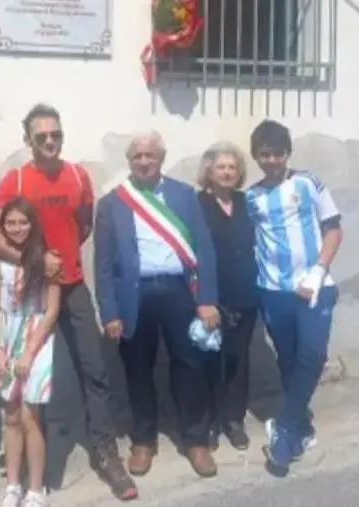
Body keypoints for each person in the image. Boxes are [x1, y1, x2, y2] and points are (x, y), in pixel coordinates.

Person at [0, 104, 138, 501]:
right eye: (42, 137)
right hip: (28, 296)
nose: (50, 142)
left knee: (95, 370)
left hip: (71, 288)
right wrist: (37, 262)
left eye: (56, 135)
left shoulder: (77, 175)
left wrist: (60, 263)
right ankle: (26, 467)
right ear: (28, 141)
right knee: (23, 378)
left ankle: (104, 452)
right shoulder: (15, 179)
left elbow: (82, 226)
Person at [93, 132, 221, 478]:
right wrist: (110, 311)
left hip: (180, 291)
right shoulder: (112, 203)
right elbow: (103, 265)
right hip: (135, 295)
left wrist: (207, 299)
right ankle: (144, 439)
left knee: (190, 364)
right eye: (137, 157)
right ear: (129, 161)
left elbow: (204, 248)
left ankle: (194, 439)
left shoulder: (184, 196)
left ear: (162, 158)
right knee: (137, 369)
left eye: (150, 155)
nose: (144, 162)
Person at [244, 120, 343, 473]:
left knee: (313, 356)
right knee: (288, 361)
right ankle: (299, 426)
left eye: (278, 153)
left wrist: (318, 271)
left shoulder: (308, 183)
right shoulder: (251, 197)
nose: (271, 160)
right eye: (264, 154)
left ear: (288, 153)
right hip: (273, 291)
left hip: (315, 287)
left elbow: (333, 229)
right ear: (256, 156)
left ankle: (283, 428)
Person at [0, 197, 60, 507]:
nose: (17, 228)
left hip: (34, 340)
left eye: (23, 222)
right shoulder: (0, 262)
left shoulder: (47, 261)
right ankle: (13, 485)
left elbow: (51, 311)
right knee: (9, 416)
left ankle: (36, 488)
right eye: (11, 223)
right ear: (2, 227)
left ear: (33, 224)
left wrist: (28, 353)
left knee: (30, 416)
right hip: (4, 337)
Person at [195, 142, 260, 451]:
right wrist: (201, 297)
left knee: (238, 358)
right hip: (211, 295)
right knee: (209, 359)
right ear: (209, 172)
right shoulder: (197, 204)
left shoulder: (246, 202)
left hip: (245, 292)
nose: (227, 172)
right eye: (221, 167)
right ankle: (208, 421)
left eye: (232, 167)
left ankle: (233, 419)